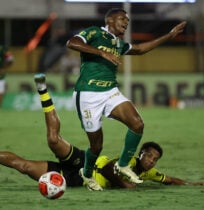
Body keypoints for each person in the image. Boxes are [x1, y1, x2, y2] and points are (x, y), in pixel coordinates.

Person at [0, 74, 204, 190]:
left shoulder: (149, 174)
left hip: (76, 180)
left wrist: (191, 184)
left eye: (155, 159)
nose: (151, 161)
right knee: (53, 140)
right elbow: (108, 168)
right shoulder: (129, 161)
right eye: (149, 155)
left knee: (25, 167)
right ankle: (43, 92)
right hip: (86, 162)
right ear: (140, 153)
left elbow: (169, 179)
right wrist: (126, 186)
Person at [66, 8, 187, 190]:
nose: (126, 23)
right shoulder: (95, 32)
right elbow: (72, 42)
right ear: (110, 20)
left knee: (137, 124)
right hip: (88, 94)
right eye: (123, 19)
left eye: (128, 21)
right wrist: (101, 53)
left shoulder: (118, 43)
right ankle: (87, 173)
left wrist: (169, 36)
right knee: (96, 146)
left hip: (110, 91)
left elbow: (139, 49)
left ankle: (122, 165)